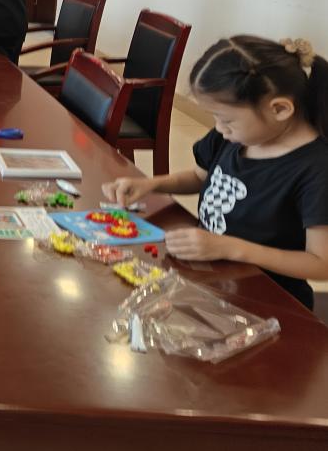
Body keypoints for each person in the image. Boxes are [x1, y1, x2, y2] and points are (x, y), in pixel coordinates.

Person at [103, 36, 328, 310]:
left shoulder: (316, 170)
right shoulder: (232, 137)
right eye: (215, 118)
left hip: (268, 300)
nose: (219, 128)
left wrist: (231, 248)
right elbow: (199, 178)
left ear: (280, 109)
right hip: (214, 279)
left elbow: (320, 264)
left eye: (227, 119)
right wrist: (150, 185)